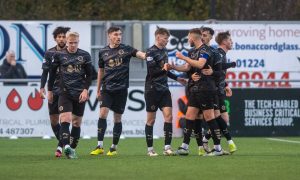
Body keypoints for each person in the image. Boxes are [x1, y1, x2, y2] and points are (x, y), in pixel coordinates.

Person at [90, 26, 146, 156]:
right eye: (115, 34)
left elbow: (140, 54)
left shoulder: (126, 49)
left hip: (121, 90)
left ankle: (113, 147)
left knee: (117, 118)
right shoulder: (103, 51)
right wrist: (98, 89)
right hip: (107, 89)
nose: (118, 37)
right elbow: (101, 71)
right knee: (102, 114)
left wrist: (147, 56)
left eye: (120, 34)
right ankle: (99, 146)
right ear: (109, 36)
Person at [172, 28, 224, 156]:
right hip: (195, 89)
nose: (188, 40)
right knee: (189, 116)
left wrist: (183, 57)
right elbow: (187, 67)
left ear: (193, 38)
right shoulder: (192, 51)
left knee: (209, 117)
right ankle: (184, 147)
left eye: (188, 37)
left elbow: (201, 64)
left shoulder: (205, 50)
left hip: (206, 88)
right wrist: (173, 67)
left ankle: (218, 149)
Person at [48, 31, 93, 159]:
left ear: (78, 42)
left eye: (75, 43)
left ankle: (72, 149)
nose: (73, 45)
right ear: (66, 42)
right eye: (70, 43)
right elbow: (51, 74)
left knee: (77, 123)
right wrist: (50, 91)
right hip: (64, 93)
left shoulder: (85, 55)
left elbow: (89, 75)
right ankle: (66, 147)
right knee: (65, 119)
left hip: (79, 94)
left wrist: (85, 90)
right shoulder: (59, 55)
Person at [144, 27, 186, 156]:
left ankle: (167, 147)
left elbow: (166, 70)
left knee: (169, 117)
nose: (167, 41)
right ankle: (150, 149)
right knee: (151, 120)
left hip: (164, 90)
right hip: (152, 90)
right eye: (165, 38)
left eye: (168, 39)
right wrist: (164, 69)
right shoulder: (150, 52)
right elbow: (152, 72)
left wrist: (177, 78)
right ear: (158, 37)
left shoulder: (165, 51)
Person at [200, 29, 237, 153]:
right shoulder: (219, 53)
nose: (232, 42)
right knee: (219, 118)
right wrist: (232, 64)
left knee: (222, 118)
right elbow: (216, 71)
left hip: (219, 89)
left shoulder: (222, 54)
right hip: (214, 90)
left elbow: (219, 73)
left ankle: (209, 142)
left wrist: (225, 84)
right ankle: (223, 144)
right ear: (224, 41)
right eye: (230, 40)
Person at [39, 26, 70, 158]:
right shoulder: (49, 53)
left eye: (64, 36)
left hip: (67, 91)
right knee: (53, 120)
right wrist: (42, 88)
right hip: (53, 90)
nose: (62, 39)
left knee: (64, 119)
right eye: (59, 37)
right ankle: (63, 143)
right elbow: (45, 72)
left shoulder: (71, 53)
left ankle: (60, 146)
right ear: (55, 38)